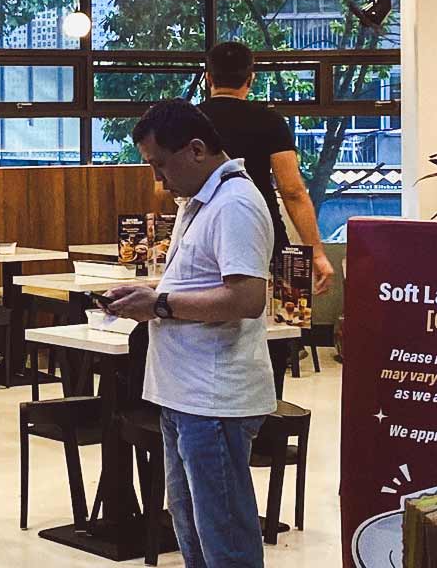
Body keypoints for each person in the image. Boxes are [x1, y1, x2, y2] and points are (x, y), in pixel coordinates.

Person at [104, 100, 275, 568]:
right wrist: (148, 292)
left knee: (224, 536)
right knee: (191, 530)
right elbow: (196, 283)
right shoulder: (199, 201)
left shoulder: (236, 203)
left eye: (160, 165)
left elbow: (245, 299)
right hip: (182, 394)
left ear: (196, 149)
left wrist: (157, 304)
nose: (158, 181)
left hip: (214, 398)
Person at [200, 41, 335, 295]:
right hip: (263, 231)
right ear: (251, 79)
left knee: (206, 313)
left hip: (203, 233)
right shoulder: (269, 120)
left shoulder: (190, 119)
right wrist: (316, 253)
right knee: (283, 320)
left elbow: (168, 189)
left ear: (209, 78)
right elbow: (292, 191)